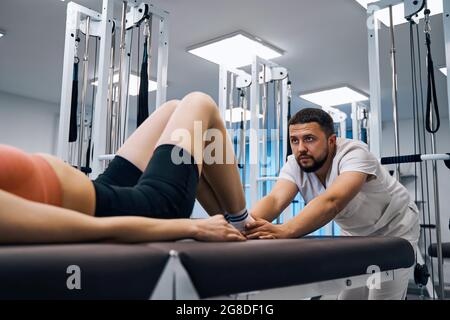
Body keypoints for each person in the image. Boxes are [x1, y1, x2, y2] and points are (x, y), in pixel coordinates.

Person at [0, 92, 253, 244]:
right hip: (136, 207)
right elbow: (78, 227)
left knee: (173, 108)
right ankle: (243, 222)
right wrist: (192, 226)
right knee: (201, 104)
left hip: (101, 189)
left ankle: (235, 220)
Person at [245, 108, 419, 300]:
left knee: (380, 296)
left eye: (309, 138)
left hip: (394, 228)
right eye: (295, 140)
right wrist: (244, 226)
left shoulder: (354, 153)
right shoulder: (295, 164)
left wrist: (285, 231)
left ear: (331, 141)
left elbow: (333, 202)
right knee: (348, 298)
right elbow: (275, 199)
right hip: (355, 235)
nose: (301, 148)